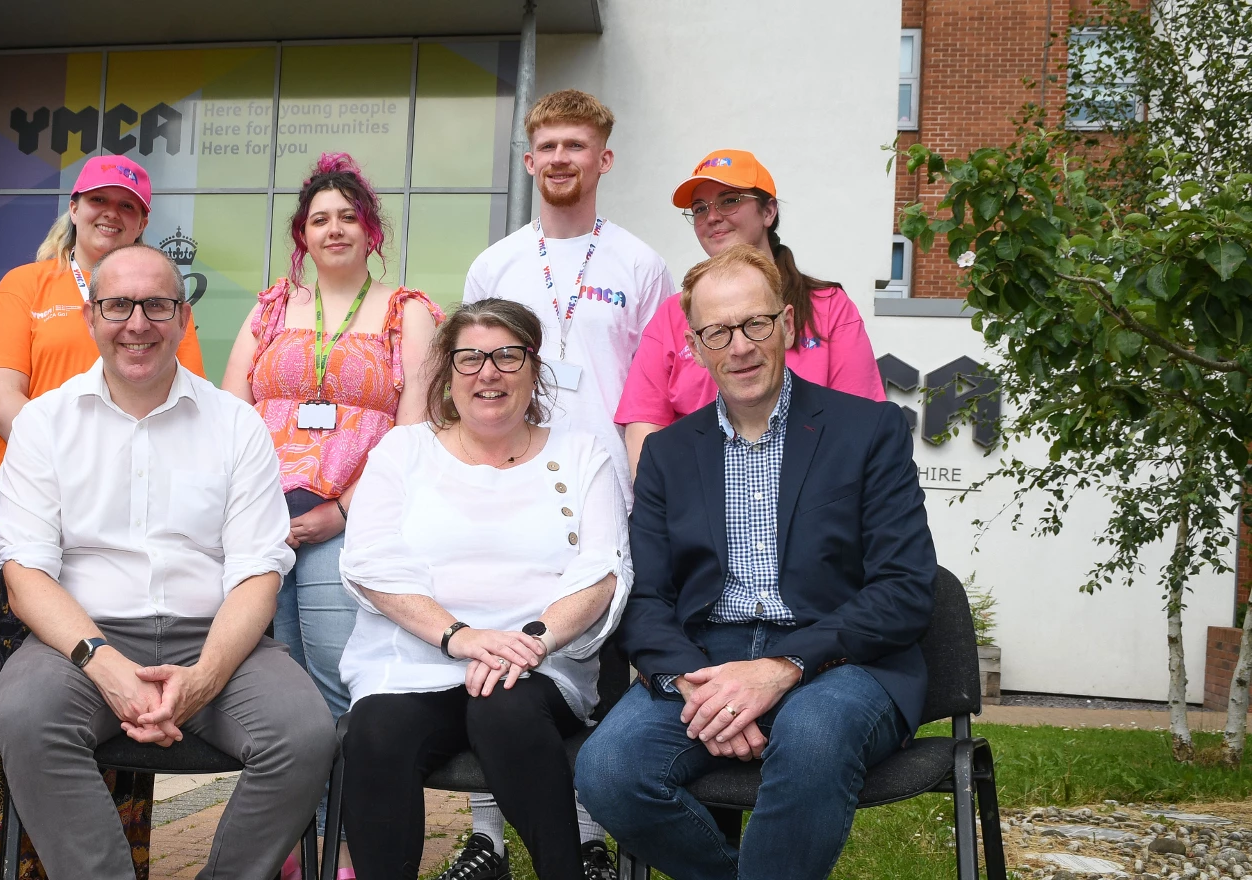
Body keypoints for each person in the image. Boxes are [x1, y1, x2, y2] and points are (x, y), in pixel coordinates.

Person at [573, 245, 937, 880]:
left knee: (814, 735)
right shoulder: (667, 454)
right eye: (717, 331)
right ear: (695, 346)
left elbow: (904, 589)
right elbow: (647, 597)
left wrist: (782, 668)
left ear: (788, 324)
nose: (738, 346)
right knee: (607, 771)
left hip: (843, 660)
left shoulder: (868, 431)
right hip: (708, 659)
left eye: (754, 325)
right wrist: (693, 683)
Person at [0, 243, 335, 879]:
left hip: (218, 640)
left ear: (182, 318)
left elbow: (259, 571)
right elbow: (26, 576)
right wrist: (105, 664)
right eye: (118, 305)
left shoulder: (236, 424)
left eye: (157, 305)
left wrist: (203, 678)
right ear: (92, 317)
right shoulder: (44, 423)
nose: (137, 324)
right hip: (82, 640)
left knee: (304, 735)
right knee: (25, 716)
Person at [0, 154, 208, 876]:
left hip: (123, 530)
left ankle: (111, 861)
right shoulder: (26, 286)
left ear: (142, 220)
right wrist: (71, 464)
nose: (110, 214)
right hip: (21, 525)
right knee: (4, 703)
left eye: (127, 207)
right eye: (97, 201)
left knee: (122, 685)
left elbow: (179, 399)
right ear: (73, 207)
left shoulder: (155, 298)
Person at [457, 87, 670, 880]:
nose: (559, 160)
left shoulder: (642, 264)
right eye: (546, 147)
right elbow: (471, 375)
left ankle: (584, 836)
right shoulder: (496, 263)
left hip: (608, 489)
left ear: (602, 159)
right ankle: (486, 835)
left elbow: (658, 388)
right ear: (528, 159)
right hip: (508, 485)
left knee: (595, 669)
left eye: (575, 147)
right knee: (497, 651)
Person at [338, 299, 626, 880]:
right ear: (447, 372)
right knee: (374, 732)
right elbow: (370, 564)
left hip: (538, 664)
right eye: (469, 358)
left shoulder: (582, 452)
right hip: (418, 660)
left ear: (534, 367)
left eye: (506, 356)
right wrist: (460, 637)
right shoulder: (403, 451)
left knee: (503, 710)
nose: (487, 373)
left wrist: (532, 641)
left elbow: (602, 571)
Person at [221, 152, 440, 873]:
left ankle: (343, 842)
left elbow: (411, 431)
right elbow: (231, 413)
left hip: (347, 521)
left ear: (371, 230)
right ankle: (292, 843)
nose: (335, 227)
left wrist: (343, 510)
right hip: (262, 523)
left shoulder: (410, 313)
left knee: (333, 685)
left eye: (349, 216)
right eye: (320, 218)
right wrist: (248, 514)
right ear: (301, 235)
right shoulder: (270, 308)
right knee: (276, 691)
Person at [616, 149, 884, 478]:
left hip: (810, 504)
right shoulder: (672, 315)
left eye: (729, 200)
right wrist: (666, 511)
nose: (711, 216)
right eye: (699, 208)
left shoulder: (827, 307)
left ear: (768, 211)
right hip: (702, 505)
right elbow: (645, 428)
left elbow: (858, 423)